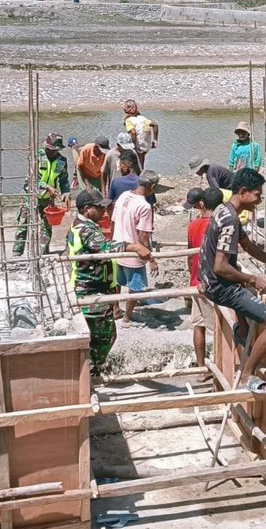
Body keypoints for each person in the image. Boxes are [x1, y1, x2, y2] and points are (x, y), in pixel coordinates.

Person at [197, 168, 266, 392]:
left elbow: (249, 246)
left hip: (209, 280)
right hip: (219, 287)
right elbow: (220, 266)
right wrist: (252, 279)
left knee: (245, 293)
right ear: (242, 191)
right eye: (257, 195)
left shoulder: (224, 210)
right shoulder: (230, 220)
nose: (258, 200)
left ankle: (241, 331)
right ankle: (247, 375)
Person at [67, 189, 151, 370]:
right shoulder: (86, 229)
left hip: (88, 286)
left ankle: (92, 367)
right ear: (87, 209)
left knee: (98, 334)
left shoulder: (77, 225)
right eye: (99, 208)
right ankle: (93, 368)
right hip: (90, 289)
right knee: (105, 335)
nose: (104, 211)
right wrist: (134, 247)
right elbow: (105, 247)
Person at [111, 170, 160, 327]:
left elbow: (112, 221)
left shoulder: (123, 196)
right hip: (133, 254)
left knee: (118, 282)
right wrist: (150, 258)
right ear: (152, 186)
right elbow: (143, 236)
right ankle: (126, 318)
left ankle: (115, 309)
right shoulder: (144, 206)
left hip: (119, 249)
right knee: (134, 288)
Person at [13, 133, 70, 256]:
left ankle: (43, 253)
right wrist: (46, 186)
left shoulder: (62, 161)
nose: (51, 152)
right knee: (24, 224)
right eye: (49, 149)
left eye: (54, 150)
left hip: (48, 199)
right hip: (31, 195)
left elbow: (64, 180)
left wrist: (66, 193)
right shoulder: (36, 157)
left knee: (47, 226)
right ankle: (17, 253)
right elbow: (31, 178)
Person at [185, 187, 224, 368]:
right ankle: (219, 367)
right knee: (218, 327)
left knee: (198, 325)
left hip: (195, 279)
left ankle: (201, 367)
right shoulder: (218, 225)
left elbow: (190, 256)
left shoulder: (193, 224)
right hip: (212, 282)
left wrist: (192, 274)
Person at [122, 100, 158, 170]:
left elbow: (133, 132)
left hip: (139, 145)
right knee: (141, 160)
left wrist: (134, 145)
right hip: (148, 144)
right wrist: (155, 140)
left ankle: (139, 176)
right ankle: (140, 173)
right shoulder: (142, 118)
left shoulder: (128, 120)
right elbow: (155, 125)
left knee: (138, 163)